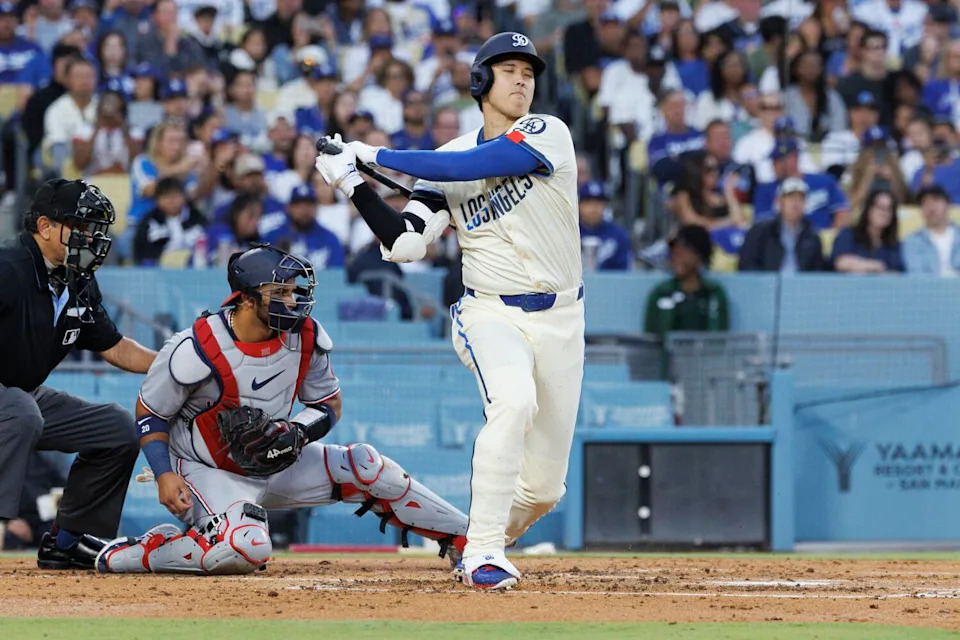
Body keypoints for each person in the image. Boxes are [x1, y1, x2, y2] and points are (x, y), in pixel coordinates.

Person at [315, 32, 583, 591]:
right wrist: (353, 184)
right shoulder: (444, 160)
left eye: (528, 71)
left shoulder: (546, 132)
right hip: (489, 313)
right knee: (513, 402)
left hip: (562, 319)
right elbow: (407, 242)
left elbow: (488, 161)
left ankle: (472, 539)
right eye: (508, 69)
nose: (521, 80)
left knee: (543, 490)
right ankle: (485, 553)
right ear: (481, 82)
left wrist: (373, 154)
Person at [95, 245, 467, 574]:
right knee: (246, 547)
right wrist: (163, 474)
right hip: (206, 468)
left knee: (367, 465)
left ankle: (466, 537)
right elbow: (150, 411)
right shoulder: (198, 346)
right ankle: (145, 552)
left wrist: (299, 431)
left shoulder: (305, 335)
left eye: (292, 291)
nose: (292, 302)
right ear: (246, 299)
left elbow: (327, 404)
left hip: (274, 460)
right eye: (280, 293)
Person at [0, 179, 156, 570]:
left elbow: (116, 347)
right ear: (45, 226)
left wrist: (184, 361)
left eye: (94, 228)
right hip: (14, 402)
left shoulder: (77, 278)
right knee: (20, 411)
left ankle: (67, 540)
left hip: (23, 396)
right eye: (81, 226)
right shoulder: (7, 269)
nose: (91, 237)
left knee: (118, 428)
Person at [643, 225, 728, 341]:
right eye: (674, 252)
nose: (676, 257)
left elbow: (719, 338)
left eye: (683, 252)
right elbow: (650, 341)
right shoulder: (660, 293)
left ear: (699, 255)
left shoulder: (713, 293)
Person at [738, 177, 827, 272]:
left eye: (800, 199)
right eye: (790, 199)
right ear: (779, 202)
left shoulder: (812, 237)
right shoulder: (760, 231)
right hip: (766, 285)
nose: (795, 204)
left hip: (801, 286)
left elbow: (817, 272)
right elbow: (747, 266)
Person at [264, 184, 345, 269]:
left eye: (309, 205)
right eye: (299, 206)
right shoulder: (272, 237)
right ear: (289, 208)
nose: (304, 211)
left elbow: (336, 275)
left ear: (316, 208)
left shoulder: (330, 239)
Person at [133, 177, 207, 266]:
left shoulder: (197, 218)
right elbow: (142, 251)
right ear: (157, 200)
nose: (171, 201)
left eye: (175, 196)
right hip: (159, 271)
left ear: (184, 197)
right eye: (166, 197)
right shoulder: (149, 222)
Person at [832, 189, 904, 273]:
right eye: (880, 207)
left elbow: (897, 272)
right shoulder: (848, 234)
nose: (884, 213)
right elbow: (841, 263)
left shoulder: (893, 245)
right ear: (869, 209)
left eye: (889, 209)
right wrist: (875, 266)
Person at [902, 184, 960, 275]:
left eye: (936, 201)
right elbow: (916, 275)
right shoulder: (912, 241)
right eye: (926, 203)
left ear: (947, 204)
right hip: (930, 288)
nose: (931, 208)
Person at [578, 181, 631, 271]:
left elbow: (624, 272)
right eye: (588, 202)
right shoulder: (567, 232)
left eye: (599, 202)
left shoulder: (617, 234)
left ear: (605, 205)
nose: (593, 208)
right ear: (578, 205)